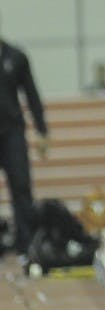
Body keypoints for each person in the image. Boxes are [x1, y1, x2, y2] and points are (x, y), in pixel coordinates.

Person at [0, 16, 50, 259]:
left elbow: (31, 94)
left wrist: (42, 131)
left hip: (12, 133)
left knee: (21, 186)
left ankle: (26, 244)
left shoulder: (16, 57)